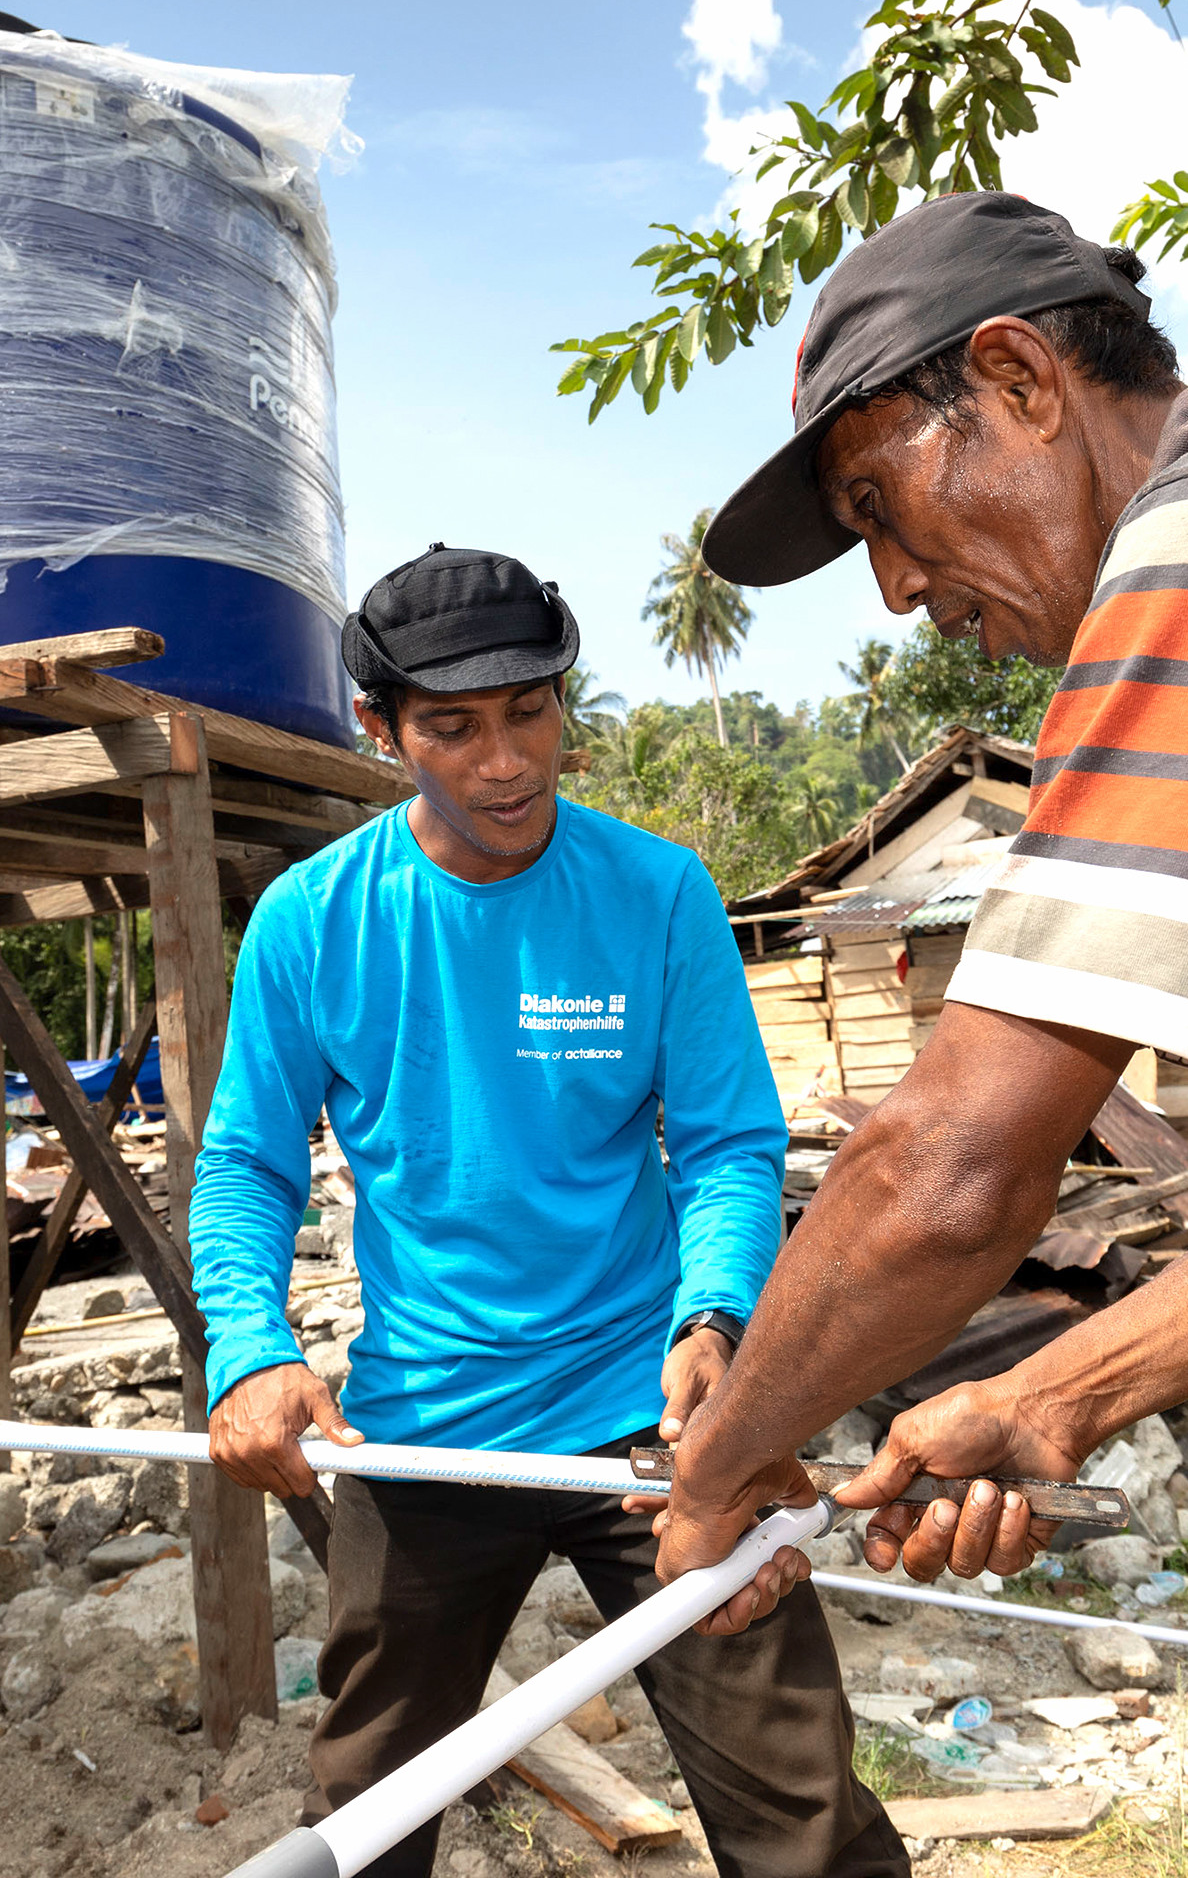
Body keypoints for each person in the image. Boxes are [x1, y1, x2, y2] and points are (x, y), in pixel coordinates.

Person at [189, 543, 906, 1877]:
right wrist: (252, 1346)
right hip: (430, 1434)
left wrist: (718, 1316)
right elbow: (247, 1166)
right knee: (365, 1819)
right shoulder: (311, 921)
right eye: (454, 730)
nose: (508, 763)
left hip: (656, 1421)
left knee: (802, 1815)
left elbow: (729, 1146)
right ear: (381, 729)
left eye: (532, 714)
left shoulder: (659, 893)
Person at [650, 191, 1188, 1615]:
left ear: (1021, 381)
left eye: (881, 508)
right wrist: (1062, 1391)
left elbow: (951, 1171)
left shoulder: (1177, 558)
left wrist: (721, 1470)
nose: (893, 590)